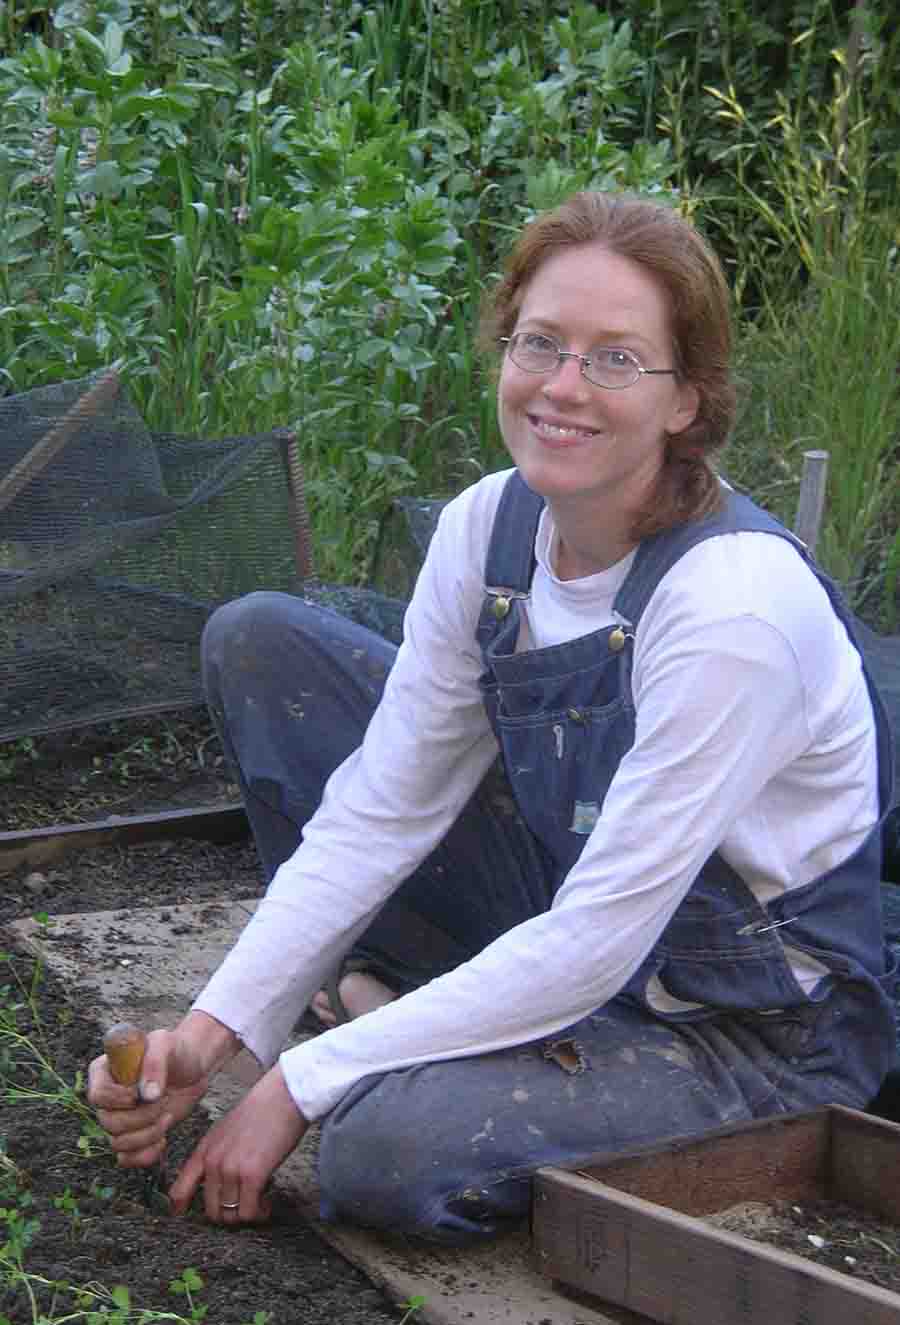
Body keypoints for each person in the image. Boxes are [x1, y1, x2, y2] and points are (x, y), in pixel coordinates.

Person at [88, 191, 897, 1244]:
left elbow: (600, 938)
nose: (563, 387)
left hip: (746, 1026)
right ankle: (426, 1024)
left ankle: (412, 1030)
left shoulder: (732, 609)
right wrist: (213, 1031)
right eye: (541, 343)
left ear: (687, 399)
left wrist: (299, 1078)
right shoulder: (490, 527)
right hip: (573, 914)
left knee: (383, 1149)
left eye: (616, 359)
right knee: (272, 649)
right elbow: (384, 808)